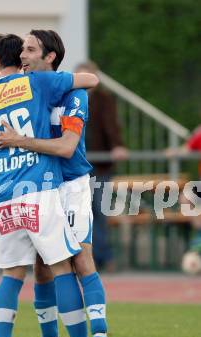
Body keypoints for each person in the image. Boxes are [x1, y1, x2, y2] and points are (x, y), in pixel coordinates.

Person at [0, 32, 100, 337]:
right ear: (16, 58)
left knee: (11, 275)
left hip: (3, 198)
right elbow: (88, 79)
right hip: (38, 187)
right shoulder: (34, 82)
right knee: (62, 267)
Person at [0, 31, 118, 337]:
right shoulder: (26, 89)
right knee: (42, 269)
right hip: (39, 187)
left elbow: (66, 148)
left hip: (71, 185)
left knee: (81, 259)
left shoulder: (73, 94)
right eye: (21, 51)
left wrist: (19, 141)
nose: (23, 56)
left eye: (30, 50)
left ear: (50, 58)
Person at [75, 61, 128, 272]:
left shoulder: (104, 100)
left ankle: (103, 257)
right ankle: (77, 259)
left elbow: (111, 125)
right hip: (73, 167)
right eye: (81, 76)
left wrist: (117, 146)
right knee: (76, 213)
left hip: (99, 166)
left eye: (89, 76)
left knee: (98, 211)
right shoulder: (66, 99)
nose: (86, 81)